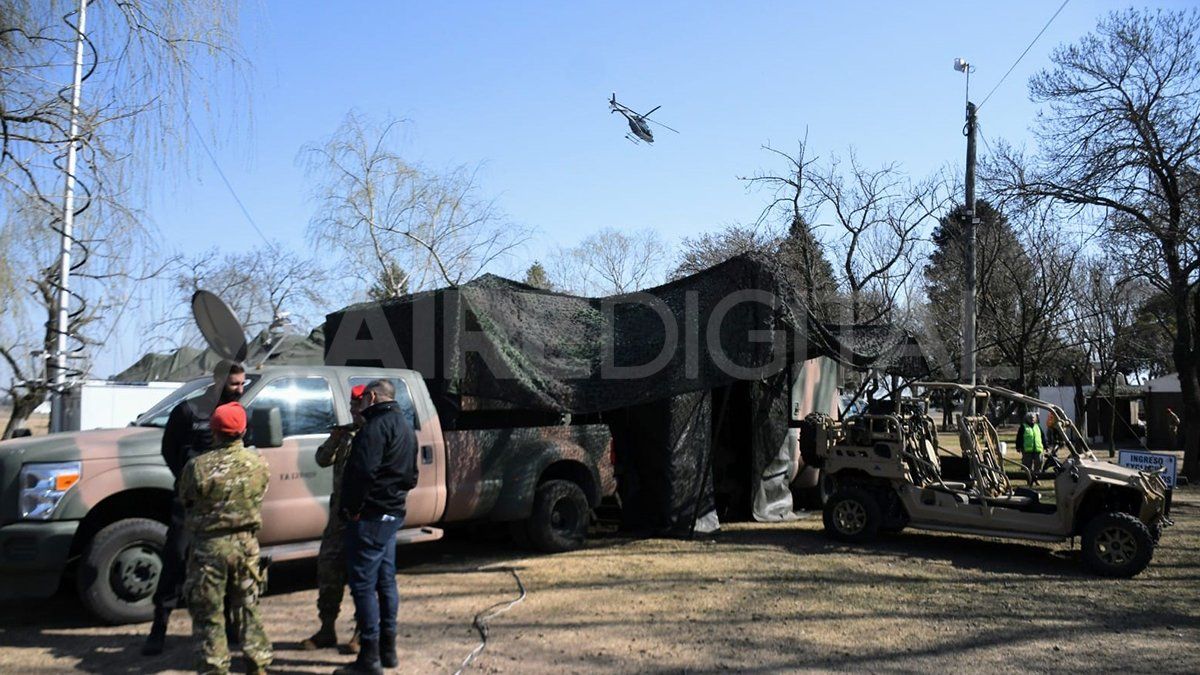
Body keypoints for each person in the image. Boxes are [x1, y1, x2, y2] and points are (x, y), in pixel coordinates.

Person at [144, 360, 247, 656]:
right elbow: (169, 449)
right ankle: (158, 628)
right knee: (176, 559)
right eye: (234, 384)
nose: (239, 390)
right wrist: (189, 480)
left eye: (242, 384)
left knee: (227, 563)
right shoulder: (189, 411)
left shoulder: (240, 413)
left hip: (224, 504)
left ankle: (229, 626)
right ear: (218, 382)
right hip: (189, 502)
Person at [179, 401, 272, 675]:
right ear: (243, 431)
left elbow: (186, 498)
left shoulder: (197, 467)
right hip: (246, 546)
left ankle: (215, 667)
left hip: (209, 549)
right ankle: (258, 663)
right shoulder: (259, 464)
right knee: (248, 608)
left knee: (209, 612)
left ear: (214, 431)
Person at [335, 380, 418, 675]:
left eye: (362, 401)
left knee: (364, 586)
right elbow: (412, 476)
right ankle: (388, 650)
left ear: (371, 397)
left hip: (370, 518)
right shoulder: (406, 427)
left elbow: (361, 474)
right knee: (385, 581)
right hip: (392, 515)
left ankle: (369, 658)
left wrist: (353, 510)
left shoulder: (373, 429)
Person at [302, 384, 368, 653]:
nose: (353, 410)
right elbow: (321, 459)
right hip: (338, 517)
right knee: (328, 570)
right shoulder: (347, 436)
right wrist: (336, 437)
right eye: (351, 406)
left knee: (362, 577)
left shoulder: (373, 434)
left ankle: (361, 633)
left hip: (362, 518)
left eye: (357, 405)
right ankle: (326, 628)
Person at [1016, 411, 1044, 487]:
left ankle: (1037, 479)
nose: (1032, 419)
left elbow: (1043, 437)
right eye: (1030, 418)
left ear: (1035, 419)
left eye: (1033, 418)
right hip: (1027, 450)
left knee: (1038, 464)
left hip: (1038, 449)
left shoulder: (1038, 426)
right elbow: (1019, 438)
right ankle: (1029, 480)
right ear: (1027, 418)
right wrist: (1018, 447)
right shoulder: (1023, 427)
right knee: (1027, 466)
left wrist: (1046, 446)